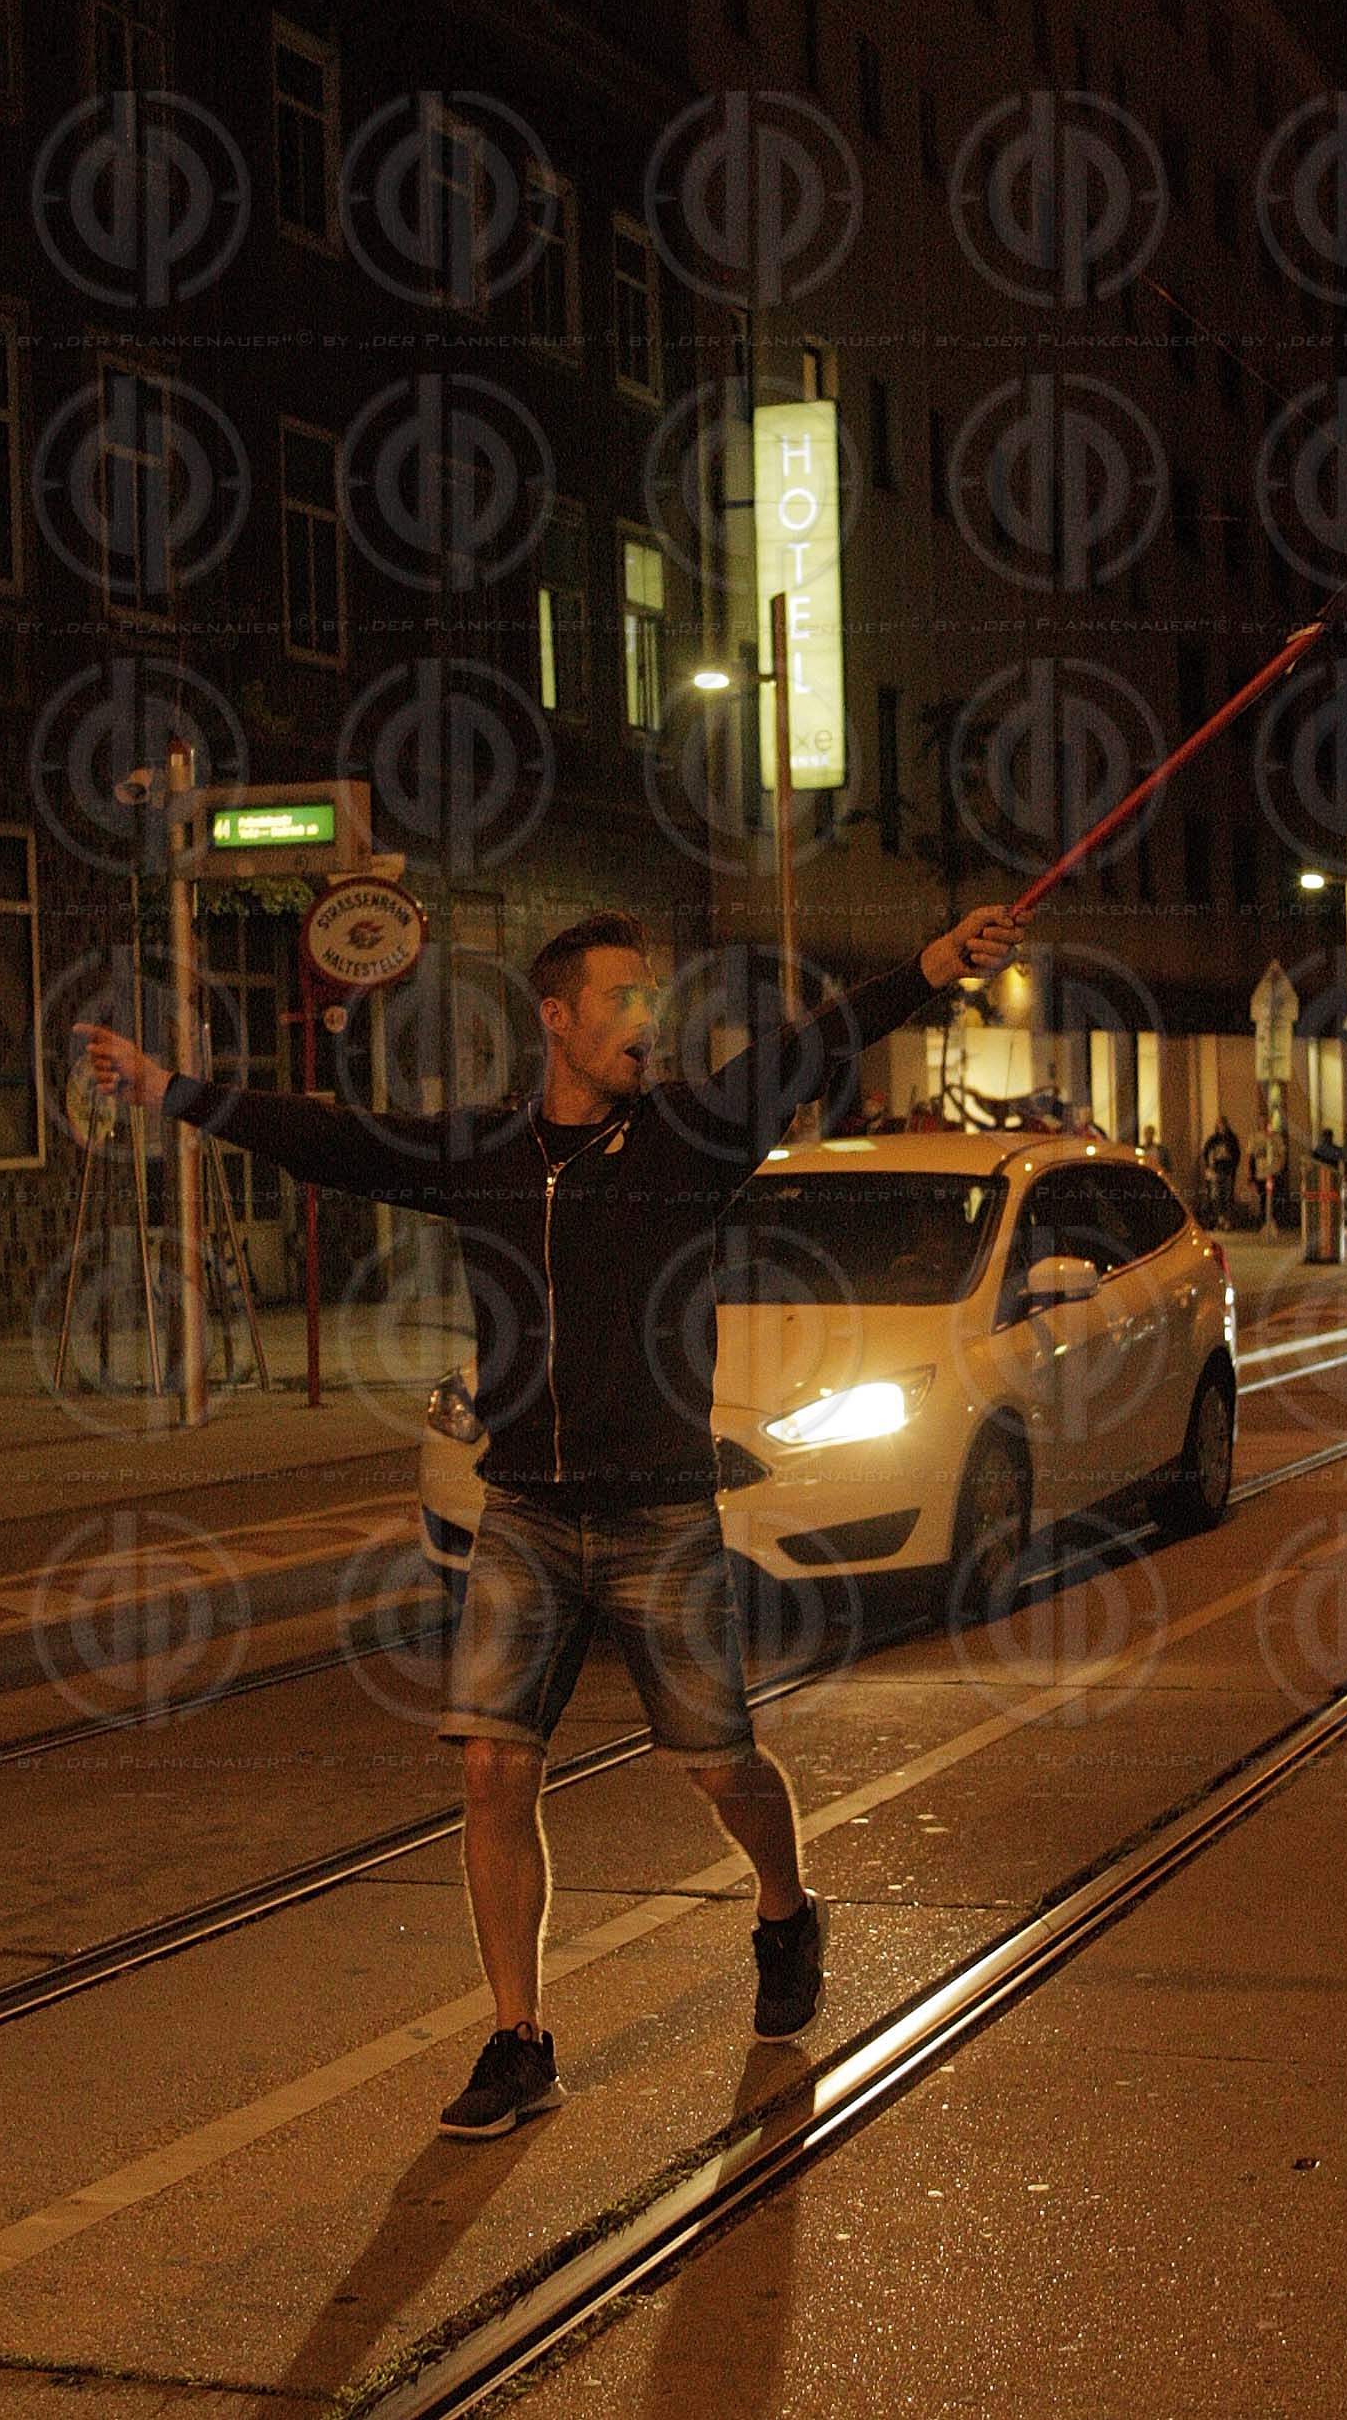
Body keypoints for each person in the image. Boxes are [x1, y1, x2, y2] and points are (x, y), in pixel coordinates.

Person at [81, 897, 1025, 2136]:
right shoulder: (484, 1150)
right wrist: (171, 1090)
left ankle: (786, 1908)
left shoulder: (689, 1136)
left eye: (653, 997)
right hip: (524, 1509)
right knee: (491, 1765)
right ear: (558, 1020)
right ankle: (519, 2039)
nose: (647, 1017)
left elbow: (812, 1047)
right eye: (623, 998)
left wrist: (932, 963)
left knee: (717, 1762)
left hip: (659, 1512)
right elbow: (329, 1139)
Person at [1199, 1115, 1241, 1227]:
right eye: (1219, 1124)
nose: (1221, 1126)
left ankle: (1227, 1219)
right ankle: (1219, 1218)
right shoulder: (1213, 1139)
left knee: (1227, 1195)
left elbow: (1237, 1154)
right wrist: (1208, 1166)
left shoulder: (1231, 1139)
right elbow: (1206, 1151)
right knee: (1215, 1195)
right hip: (1215, 1170)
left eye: (1222, 1124)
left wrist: (1233, 1166)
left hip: (1228, 1170)